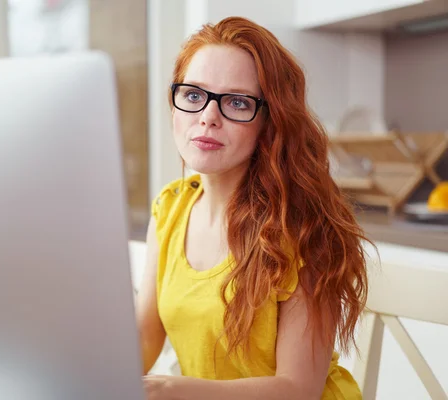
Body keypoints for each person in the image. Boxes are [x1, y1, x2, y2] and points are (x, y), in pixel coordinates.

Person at [136, 16, 371, 400]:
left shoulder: (304, 228)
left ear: (269, 121)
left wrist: (171, 391)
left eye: (237, 102)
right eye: (194, 95)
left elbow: (298, 390)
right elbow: (145, 336)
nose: (208, 116)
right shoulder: (170, 207)